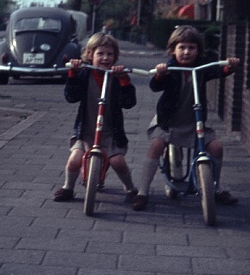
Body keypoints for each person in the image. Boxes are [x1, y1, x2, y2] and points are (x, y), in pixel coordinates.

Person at [132, 25, 240, 211]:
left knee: (216, 148)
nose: (187, 52)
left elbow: (217, 71)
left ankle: (215, 188)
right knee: (156, 146)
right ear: (173, 50)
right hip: (169, 123)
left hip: (194, 123)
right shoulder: (170, 68)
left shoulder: (202, 66)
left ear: (198, 51)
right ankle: (142, 192)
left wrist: (229, 67)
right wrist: (160, 74)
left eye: (191, 48)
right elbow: (155, 86)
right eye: (181, 47)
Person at [53, 33, 139, 203]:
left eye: (110, 54)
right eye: (100, 54)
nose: (105, 58)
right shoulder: (85, 75)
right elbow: (71, 97)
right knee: (74, 160)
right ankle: (68, 188)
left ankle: (130, 189)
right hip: (86, 130)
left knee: (118, 162)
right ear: (90, 55)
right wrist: (73, 74)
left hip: (110, 133)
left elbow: (128, 103)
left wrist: (124, 81)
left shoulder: (116, 77)